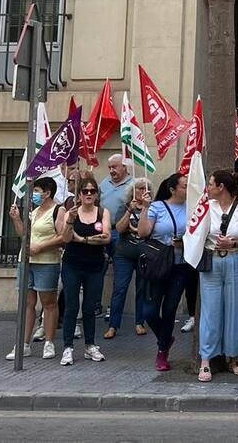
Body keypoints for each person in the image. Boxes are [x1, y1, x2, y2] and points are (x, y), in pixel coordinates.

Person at [197, 169, 238, 382]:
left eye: (211, 183)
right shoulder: (205, 207)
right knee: (210, 310)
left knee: (235, 309)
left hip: (236, 258)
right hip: (212, 259)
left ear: (221, 187)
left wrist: (234, 243)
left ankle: (233, 357)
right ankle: (205, 360)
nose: (208, 187)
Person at [137, 172, 191, 371]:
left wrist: (184, 242)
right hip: (158, 265)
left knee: (169, 310)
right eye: (184, 186)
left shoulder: (192, 208)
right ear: (172, 189)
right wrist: (144, 208)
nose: (187, 188)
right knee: (150, 311)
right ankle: (166, 338)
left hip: (181, 266)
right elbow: (143, 233)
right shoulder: (157, 207)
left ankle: (162, 353)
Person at [56, 173, 111, 366]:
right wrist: (70, 221)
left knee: (90, 307)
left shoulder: (102, 212)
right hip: (72, 264)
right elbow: (64, 238)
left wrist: (84, 239)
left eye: (92, 191)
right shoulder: (70, 212)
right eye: (85, 191)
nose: (88, 194)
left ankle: (90, 345)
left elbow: (106, 237)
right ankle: (68, 347)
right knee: (71, 306)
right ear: (79, 195)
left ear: (96, 194)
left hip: (95, 266)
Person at [6, 177, 63, 361]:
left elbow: (63, 237)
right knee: (27, 303)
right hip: (26, 262)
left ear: (47, 193)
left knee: (49, 303)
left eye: (37, 191)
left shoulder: (58, 210)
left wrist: (41, 247)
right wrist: (16, 219)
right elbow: (23, 234)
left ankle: (49, 342)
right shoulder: (34, 211)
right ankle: (23, 343)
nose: (34, 195)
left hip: (47, 262)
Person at [108, 178, 151, 337]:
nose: (141, 191)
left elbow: (149, 230)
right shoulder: (124, 206)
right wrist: (129, 211)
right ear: (132, 191)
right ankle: (113, 325)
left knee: (142, 289)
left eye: (144, 188)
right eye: (138, 189)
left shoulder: (151, 208)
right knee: (120, 289)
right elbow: (119, 228)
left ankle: (140, 323)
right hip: (124, 254)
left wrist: (145, 208)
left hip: (144, 254)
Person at [98, 154, 133, 334]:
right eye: (110, 167)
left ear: (125, 167)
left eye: (115, 167)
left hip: (121, 234)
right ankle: (96, 306)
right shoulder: (103, 184)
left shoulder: (133, 185)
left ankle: (114, 315)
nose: (111, 170)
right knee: (97, 270)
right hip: (102, 231)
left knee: (120, 275)